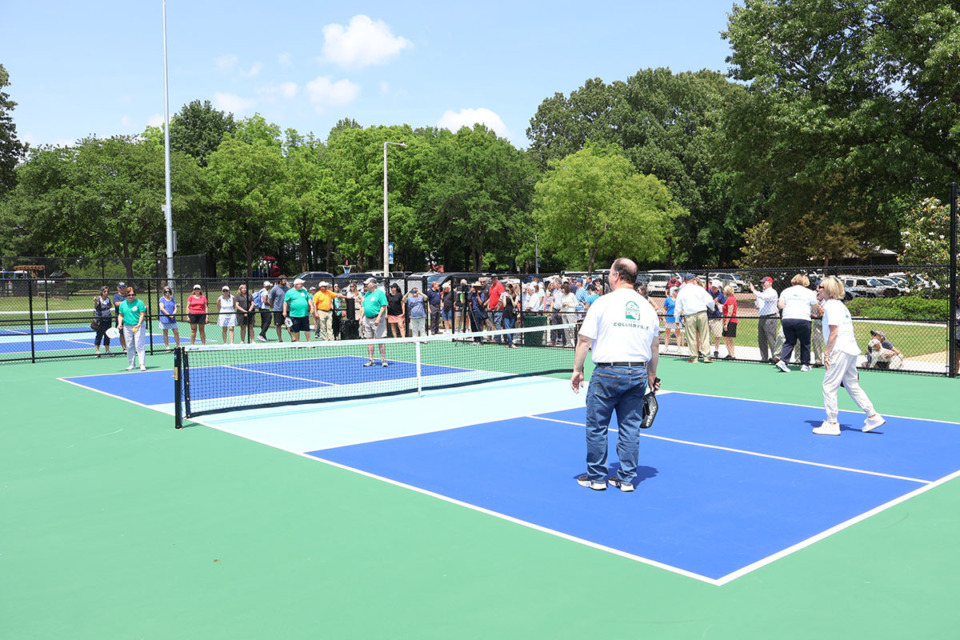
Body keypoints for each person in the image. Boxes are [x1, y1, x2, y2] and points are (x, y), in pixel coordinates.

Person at [571, 258, 661, 492]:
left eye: (610, 272)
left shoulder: (602, 303)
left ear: (617, 276)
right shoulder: (648, 309)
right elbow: (654, 347)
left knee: (597, 426)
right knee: (630, 427)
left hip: (608, 372)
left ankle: (597, 478)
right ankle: (627, 479)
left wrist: (577, 370)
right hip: (638, 373)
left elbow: (584, 340)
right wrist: (652, 374)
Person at [813, 276, 885, 436]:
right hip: (850, 349)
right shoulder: (839, 306)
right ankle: (873, 416)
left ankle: (832, 423)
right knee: (852, 385)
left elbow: (834, 332)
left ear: (829, 289)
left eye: (821, 286)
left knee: (829, 386)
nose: (818, 288)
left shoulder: (832, 306)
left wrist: (826, 353)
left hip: (839, 350)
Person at [776, 274, 819, 372]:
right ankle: (805, 364)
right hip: (803, 319)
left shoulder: (786, 291)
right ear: (805, 281)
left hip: (787, 319)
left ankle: (783, 361)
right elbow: (815, 306)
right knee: (805, 342)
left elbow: (781, 305)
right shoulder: (809, 292)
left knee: (789, 341)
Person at [674, 273, 716, 363]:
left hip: (689, 315)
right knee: (704, 335)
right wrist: (712, 308)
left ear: (685, 281)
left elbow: (678, 307)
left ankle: (694, 358)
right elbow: (709, 300)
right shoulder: (700, 289)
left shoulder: (682, 291)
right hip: (702, 314)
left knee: (691, 337)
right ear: (693, 280)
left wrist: (677, 319)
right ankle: (707, 357)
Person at [117, 285, 147, 371]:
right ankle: (131, 364)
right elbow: (120, 315)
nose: (131, 296)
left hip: (138, 326)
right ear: (126, 295)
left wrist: (138, 324)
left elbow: (142, 314)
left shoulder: (140, 303)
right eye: (129, 295)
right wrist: (119, 324)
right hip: (127, 327)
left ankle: (142, 364)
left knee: (139, 345)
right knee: (129, 346)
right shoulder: (122, 304)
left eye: (133, 294)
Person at [750, 276, 779, 363]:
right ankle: (764, 358)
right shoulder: (762, 293)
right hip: (762, 317)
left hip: (770, 317)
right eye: (762, 282)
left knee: (771, 339)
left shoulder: (772, 292)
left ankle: (775, 357)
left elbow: (764, 297)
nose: (762, 284)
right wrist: (757, 305)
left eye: (764, 282)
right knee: (761, 339)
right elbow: (759, 303)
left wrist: (753, 290)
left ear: (770, 283)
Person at [360, 277, 389, 366]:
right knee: (369, 340)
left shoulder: (380, 293)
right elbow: (364, 307)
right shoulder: (367, 294)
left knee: (380, 339)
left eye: (367, 284)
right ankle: (371, 359)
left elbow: (383, 306)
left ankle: (383, 360)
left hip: (378, 320)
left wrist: (378, 318)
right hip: (367, 320)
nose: (365, 286)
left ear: (372, 284)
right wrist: (361, 318)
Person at [283, 278, 314, 342]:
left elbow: (308, 299)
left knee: (307, 329)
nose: (302, 285)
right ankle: (298, 342)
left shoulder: (304, 291)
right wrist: (284, 311)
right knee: (296, 330)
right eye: (301, 284)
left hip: (304, 314)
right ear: (296, 285)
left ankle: (309, 342)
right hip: (294, 315)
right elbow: (285, 302)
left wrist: (311, 306)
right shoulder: (289, 292)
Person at [92, 286, 114, 356]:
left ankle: (107, 351)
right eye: (105, 291)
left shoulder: (108, 299)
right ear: (102, 292)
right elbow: (96, 305)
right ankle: (97, 351)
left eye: (107, 291)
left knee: (107, 335)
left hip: (108, 319)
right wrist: (95, 301)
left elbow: (110, 306)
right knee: (99, 335)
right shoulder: (98, 299)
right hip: (101, 320)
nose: (106, 293)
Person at [707, 280, 726, 358]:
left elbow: (724, 307)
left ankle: (716, 350)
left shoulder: (721, 295)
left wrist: (717, 303)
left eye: (715, 288)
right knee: (706, 335)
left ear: (718, 288)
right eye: (713, 287)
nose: (713, 289)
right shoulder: (707, 293)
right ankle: (706, 350)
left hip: (716, 318)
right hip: (707, 317)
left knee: (717, 335)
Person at [158, 285, 180, 350]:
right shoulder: (162, 299)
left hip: (172, 318)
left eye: (168, 291)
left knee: (176, 331)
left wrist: (173, 314)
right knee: (165, 332)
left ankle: (178, 346)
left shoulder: (172, 299)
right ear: (164, 292)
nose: (167, 292)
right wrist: (168, 315)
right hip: (165, 318)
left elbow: (175, 307)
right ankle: (167, 347)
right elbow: (161, 308)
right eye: (165, 291)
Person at [269, 275, 289, 342]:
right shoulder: (274, 289)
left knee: (289, 324)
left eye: (285, 279)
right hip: (277, 310)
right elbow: (271, 299)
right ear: (279, 280)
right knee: (278, 325)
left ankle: (292, 338)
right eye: (283, 280)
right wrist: (272, 306)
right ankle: (280, 339)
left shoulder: (288, 288)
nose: (284, 281)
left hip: (287, 310)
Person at [721, 284, 738, 359]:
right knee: (725, 337)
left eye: (724, 290)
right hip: (727, 320)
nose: (723, 291)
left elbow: (730, 312)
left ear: (727, 291)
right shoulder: (729, 299)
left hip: (731, 321)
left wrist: (726, 324)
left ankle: (732, 354)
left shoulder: (731, 299)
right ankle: (730, 353)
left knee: (728, 338)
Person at [501, 282, 519, 348]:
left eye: (508, 290)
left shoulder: (516, 296)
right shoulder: (504, 296)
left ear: (511, 290)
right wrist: (505, 297)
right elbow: (504, 305)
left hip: (513, 313)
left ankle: (509, 343)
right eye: (505, 290)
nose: (506, 292)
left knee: (511, 328)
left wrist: (511, 298)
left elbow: (514, 305)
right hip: (506, 313)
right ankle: (511, 343)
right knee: (507, 328)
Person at [113, 281, 128, 351]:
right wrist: (126, 302)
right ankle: (124, 348)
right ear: (118, 288)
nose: (122, 289)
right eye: (120, 287)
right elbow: (117, 304)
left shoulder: (128, 295)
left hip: (129, 318)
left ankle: (130, 347)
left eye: (124, 287)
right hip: (120, 318)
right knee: (122, 333)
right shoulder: (116, 296)